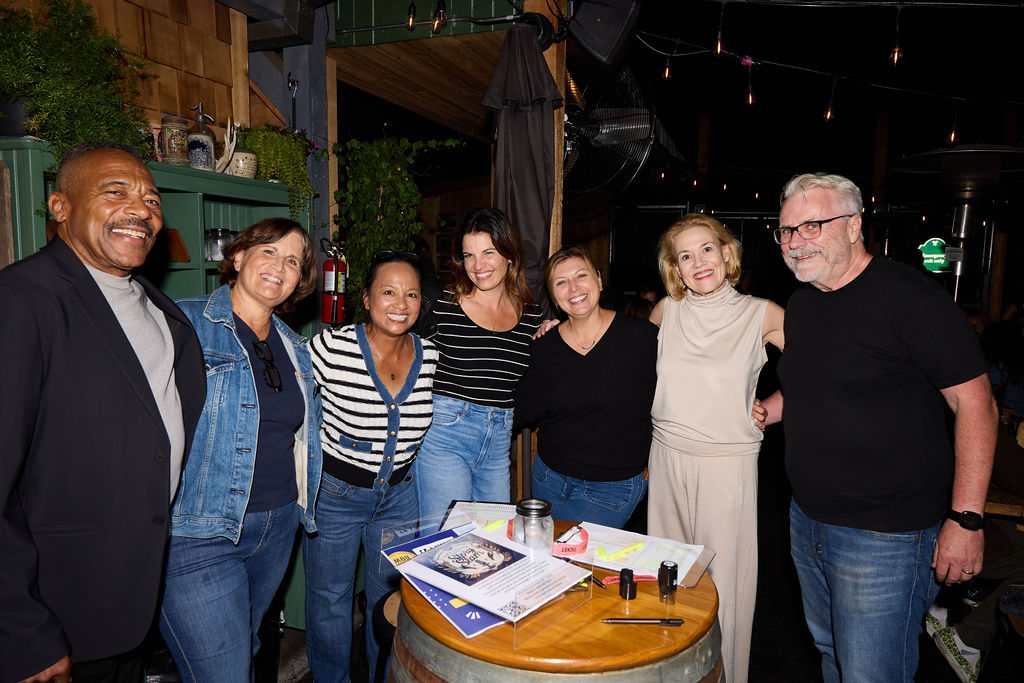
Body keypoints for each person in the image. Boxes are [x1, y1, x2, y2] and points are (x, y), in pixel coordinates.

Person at [760, 172, 998, 683]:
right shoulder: (802, 303)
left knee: (871, 673)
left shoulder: (909, 297)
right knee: (831, 654)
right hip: (807, 519)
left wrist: (966, 520)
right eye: (786, 231)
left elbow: (977, 404)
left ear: (854, 226)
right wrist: (762, 410)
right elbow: (813, 385)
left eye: (812, 225)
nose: (796, 241)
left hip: (885, 537)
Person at [0, 142, 205, 683]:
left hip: (130, 596)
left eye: (152, 200)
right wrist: (22, 631)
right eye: (116, 192)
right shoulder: (22, 299)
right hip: (58, 610)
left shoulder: (153, 304)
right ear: (60, 206)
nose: (141, 210)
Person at [157, 218, 321, 681]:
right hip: (199, 530)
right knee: (224, 670)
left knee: (245, 646)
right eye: (268, 251)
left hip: (278, 526)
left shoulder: (295, 346)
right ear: (238, 255)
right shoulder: (182, 323)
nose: (280, 266)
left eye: (293, 261)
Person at [646, 214, 784, 683]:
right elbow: (623, 365)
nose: (698, 262)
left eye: (707, 249)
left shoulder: (762, 314)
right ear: (675, 269)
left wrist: (773, 406)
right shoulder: (666, 312)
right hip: (666, 459)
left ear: (727, 253)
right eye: (685, 256)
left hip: (727, 465)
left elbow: (822, 369)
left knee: (724, 590)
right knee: (668, 583)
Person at [305, 251, 438, 682]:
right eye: (388, 292)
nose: (400, 304)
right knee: (330, 602)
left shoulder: (430, 355)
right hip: (335, 498)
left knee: (389, 599)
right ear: (366, 298)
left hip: (400, 498)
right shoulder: (331, 348)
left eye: (411, 294)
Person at [515, 246, 657, 528]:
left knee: (578, 556)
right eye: (561, 282)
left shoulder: (642, 338)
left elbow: (678, 395)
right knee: (548, 555)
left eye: (581, 275)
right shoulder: (544, 347)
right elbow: (523, 411)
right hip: (548, 479)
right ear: (553, 296)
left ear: (599, 280)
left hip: (612, 489)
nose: (573, 288)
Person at [414, 208, 543, 518]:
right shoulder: (443, 303)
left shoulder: (531, 315)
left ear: (509, 254)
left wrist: (554, 330)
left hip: (499, 441)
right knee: (447, 537)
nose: (477, 265)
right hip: (444, 435)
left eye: (488, 252)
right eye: (468, 255)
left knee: (493, 537)